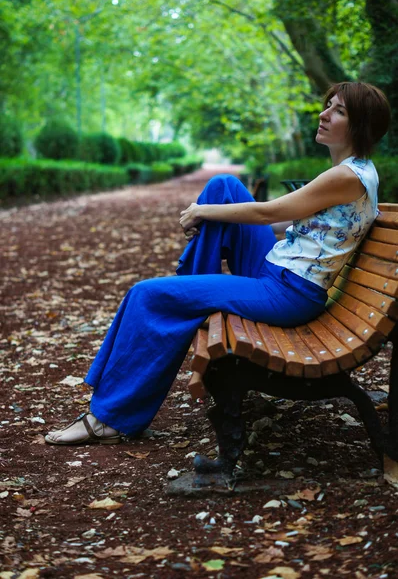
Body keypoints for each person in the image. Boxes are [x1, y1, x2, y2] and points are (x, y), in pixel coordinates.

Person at [45, 81, 391, 446]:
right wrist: (216, 214)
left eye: (339, 111)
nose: (323, 114)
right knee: (224, 184)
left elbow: (266, 211)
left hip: (288, 292)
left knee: (146, 295)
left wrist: (201, 211)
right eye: (328, 105)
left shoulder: (345, 176)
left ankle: (107, 419)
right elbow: (286, 224)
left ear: (360, 126)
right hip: (280, 273)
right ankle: (191, 290)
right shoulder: (353, 171)